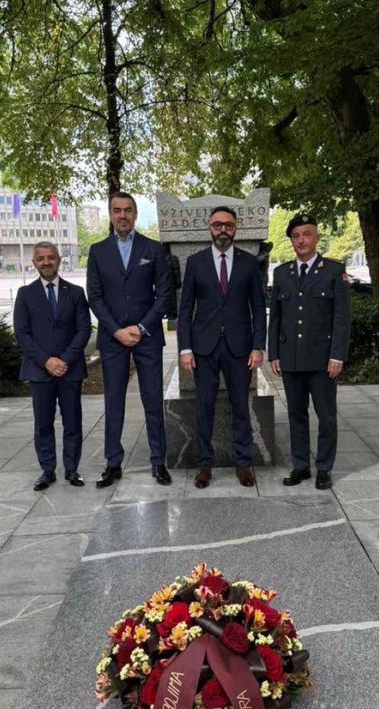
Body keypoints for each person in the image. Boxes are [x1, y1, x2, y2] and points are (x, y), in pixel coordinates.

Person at [87, 191, 172, 488]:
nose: (122, 215)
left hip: (147, 338)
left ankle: (158, 461)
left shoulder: (153, 249)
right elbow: (95, 297)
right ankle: (113, 463)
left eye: (127, 210)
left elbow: (164, 295)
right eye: (116, 210)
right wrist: (116, 331)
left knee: (152, 400)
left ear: (135, 214)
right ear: (111, 215)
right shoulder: (97, 251)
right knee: (114, 402)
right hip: (113, 339)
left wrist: (141, 327)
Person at [178, 205, 266, 489]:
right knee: (204, 407)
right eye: (218, 225)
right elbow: (185, 308)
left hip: (240, 348)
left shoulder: (249, 263)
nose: (223, 230)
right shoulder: (196, 262)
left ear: (235, 228)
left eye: (228, 225)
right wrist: (185, 348)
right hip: (203, 348)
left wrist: (258, 346)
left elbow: (258, 307)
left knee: (240, 406)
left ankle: (244, 464)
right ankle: (205, 465)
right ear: (210, 228)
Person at [268, 214, 351, 490]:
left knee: (326, 416)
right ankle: (301, 465)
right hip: (290, 358)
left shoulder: (333, 271)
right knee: (296, 414)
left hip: (322, 359)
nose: (301, 240)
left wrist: (337, 355)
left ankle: (324, 468)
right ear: (291, 241)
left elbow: (342, 318)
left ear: (316, 237)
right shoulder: (282, 273)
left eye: (306, 234)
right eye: (296, 236)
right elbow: (276, 317)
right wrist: (274, 354)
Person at [13, 241, 91, 491]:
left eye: (50, 257)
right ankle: (47, 470)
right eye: (41, 259)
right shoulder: (25, 294)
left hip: (70, 370)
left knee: (73, 422)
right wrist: (46, 361)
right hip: (40, 370)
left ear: (59, 260)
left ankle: (72, 469)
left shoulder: (76, 292)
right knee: (43, 423)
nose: (46, 262)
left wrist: (64, 360)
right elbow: (21, 333)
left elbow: (84, 330)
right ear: (34, 263)